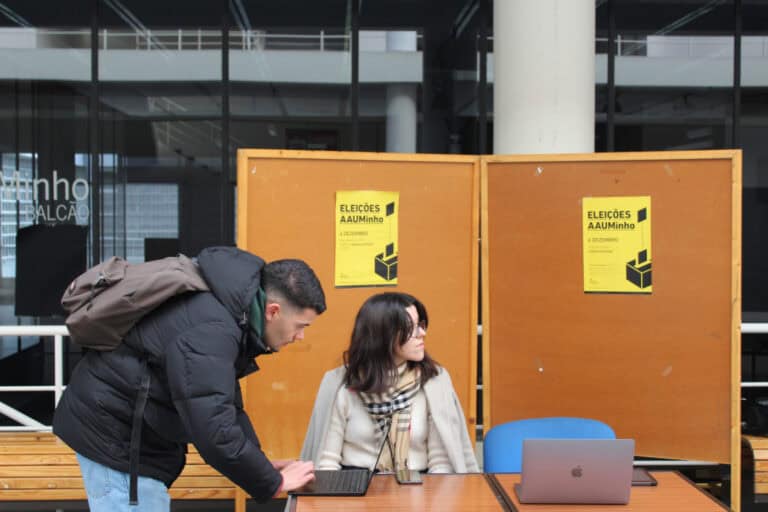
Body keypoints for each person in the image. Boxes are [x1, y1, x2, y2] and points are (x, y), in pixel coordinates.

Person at [53, 246, 325, 511]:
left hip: (125, 432)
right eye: (300, 326)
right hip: (117, 439)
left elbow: (223, 403)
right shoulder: (212, 330)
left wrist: (261, 465)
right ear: (273, 311)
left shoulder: (228, 311)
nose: (299, 337)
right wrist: (272, 482)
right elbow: (213, 427)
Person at [300, 292, 479, 474]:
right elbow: (327, 462)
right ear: (383, 335)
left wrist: (429, 500)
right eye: (412, 328)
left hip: (419, 485)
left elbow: (441, 463)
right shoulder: (341, 384)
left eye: (421, 325)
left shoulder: (434, 382)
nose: (422, 334)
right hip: (353, 486)